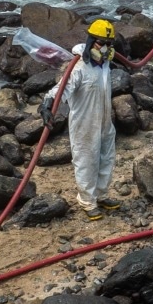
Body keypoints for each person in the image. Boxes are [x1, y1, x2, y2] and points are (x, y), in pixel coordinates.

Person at [53, 18, 119, 218]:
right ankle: (87, 201)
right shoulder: (79, 66)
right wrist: (48, 105)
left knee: (106, 158)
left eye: (109, 44)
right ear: (91, 42)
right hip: (84, 122)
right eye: (101, 43)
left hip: (105, 119)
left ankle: (101, 194)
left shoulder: (104, 64)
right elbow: (62, 88)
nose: (105, 48)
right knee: (86, 160)